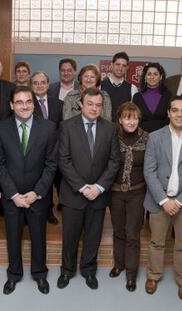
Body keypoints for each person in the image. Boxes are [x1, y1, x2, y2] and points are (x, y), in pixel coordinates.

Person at [0, 86, 58, 295]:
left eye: (28, 101)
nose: (24, 106)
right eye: (19, 102)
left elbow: (51, 164)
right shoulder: (0, 129)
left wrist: (37, 192)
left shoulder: (48, 128)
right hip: (12, 197)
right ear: (11, 105)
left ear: (34, 104)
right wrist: (13, 194)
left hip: (38, 195)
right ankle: (14, 274)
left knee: (39, 236)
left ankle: (40, 274)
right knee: (13, 236)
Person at [143, 96, 182, 300]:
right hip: (158, 201)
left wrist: (179, 202)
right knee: (156, 242)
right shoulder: (154, 137)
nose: (179, 114)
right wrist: (164, 200)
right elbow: (149, 171)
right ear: (169, 112)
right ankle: (153, 275)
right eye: (175, 110)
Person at [57, 88, 120, 290]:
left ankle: (89, 271)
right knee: (70, 237)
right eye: (90, 104)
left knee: (93, 237)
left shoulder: (110, 128)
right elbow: (64, 161)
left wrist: (99, 187)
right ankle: (67, 271)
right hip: (73, 194)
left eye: (98, 105)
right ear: (81, 105)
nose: (94, 108)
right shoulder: (66, 126)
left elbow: (114, 161)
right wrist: (83, 187)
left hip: (98, 196)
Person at [109, 102, 148, 292]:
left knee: (132, 233)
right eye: (127, 117)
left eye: (134, 117)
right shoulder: (112, 138)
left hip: (137, 193)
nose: (131, 121)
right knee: (118, 231)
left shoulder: (148, 139)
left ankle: (131, 273)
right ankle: (119, 264)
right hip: (115, 192)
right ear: (120, 120)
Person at [30, 71, 63, 224]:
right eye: (35, 83)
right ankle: (34, 211)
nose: (39, 85)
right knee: (36, 182)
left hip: (54, 150)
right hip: (34, 151)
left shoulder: (58, 103)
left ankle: (49, 211)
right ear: (31, 86)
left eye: (42, 82)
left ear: (48, 85)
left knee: (50, 182)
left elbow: (61, 128)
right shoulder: (28, 104)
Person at [132, 62, 171, 133]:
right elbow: (134, 120)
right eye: (149, 74)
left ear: (161, 77)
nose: (152, 77)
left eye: (155, 74)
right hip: (142, 138)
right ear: (145, 77)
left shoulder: (168, 96)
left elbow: (170, 120)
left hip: (163, 138)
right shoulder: (137, 97)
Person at [101, 52, 138, 121]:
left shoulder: (132, 88)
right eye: (118, 64)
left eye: (124, 66)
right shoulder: (100, 86)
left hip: (124, 129)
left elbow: (133, 113)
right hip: (104, 129)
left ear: (127, 68)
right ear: (112, 65)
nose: (120, 68)